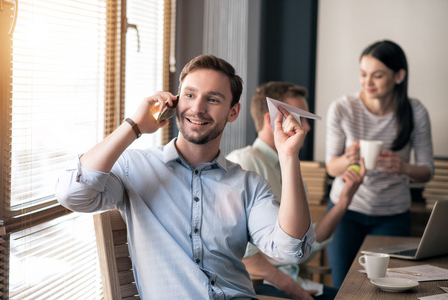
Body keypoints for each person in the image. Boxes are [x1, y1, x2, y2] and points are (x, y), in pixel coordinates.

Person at [55, 54, 316, 299]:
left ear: (233, 112)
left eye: (213, 99)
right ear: (176, 101)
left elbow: (291, 248)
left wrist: (288, 156)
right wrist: (134, 126)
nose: (198, 108)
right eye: (190, 95)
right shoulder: (133, 169)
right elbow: (73, 194)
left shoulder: (249, 184)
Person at [227, 81, 366, 299]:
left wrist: (344, 201)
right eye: (301, 118)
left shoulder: (292, 172)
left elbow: (306, 245)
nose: (307, 127)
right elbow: (242, 254)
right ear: (271, 120)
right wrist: (296, 291)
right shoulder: (244, 162)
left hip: (295, 283)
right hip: (262, 288)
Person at [325, 40, 434, 287]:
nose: (367, 82)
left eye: (377, 76)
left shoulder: (415, 112)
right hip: (345, 210)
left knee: (384, 288)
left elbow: (427, 171)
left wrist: (404, 167)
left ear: (399, 76)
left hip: (392, 214)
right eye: (363, 74)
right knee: (344, 287)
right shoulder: (343, 108)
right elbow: (332, 167)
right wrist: (347, 160)